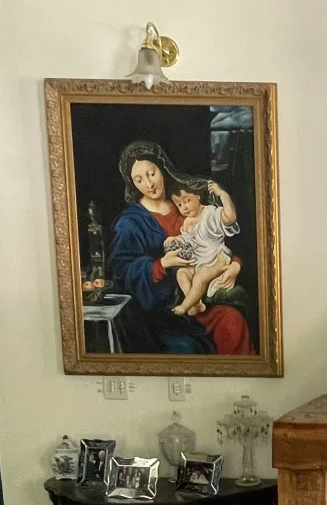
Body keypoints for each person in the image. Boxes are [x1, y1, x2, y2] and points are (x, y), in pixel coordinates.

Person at [104, 141, 254, 357]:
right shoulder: (130, 223)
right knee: (183, 348)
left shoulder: (186, 202)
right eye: (139, 179)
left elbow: (218, 241)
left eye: (152, 173)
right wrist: (162, 264)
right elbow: (120, 272)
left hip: (206, 297)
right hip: (163, 312)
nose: (149, 184)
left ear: (162, 168)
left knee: (233, 321)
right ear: (132, 183)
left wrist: (235, 266)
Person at [165, 177, 242, 317]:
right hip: (199, 260)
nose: (184, 207)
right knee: (181, 273)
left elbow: (230, 218)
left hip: (217, 257)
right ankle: (196, 304)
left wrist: (222, 195)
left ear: (198, 196)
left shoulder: (211, 213)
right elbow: (187, 241)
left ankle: (184, 306)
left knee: (200, 278)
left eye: (187, 200)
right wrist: (175, 240)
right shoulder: (187, 222)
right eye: (179, 205)